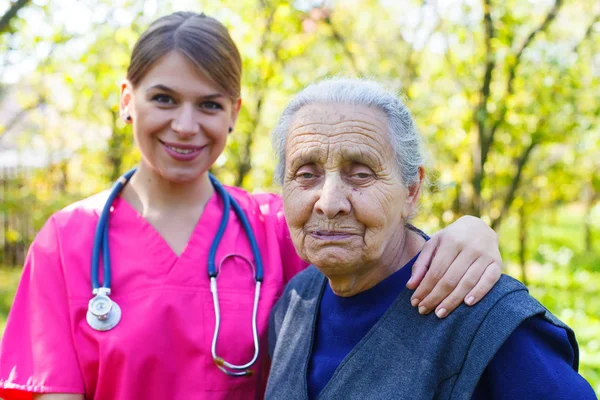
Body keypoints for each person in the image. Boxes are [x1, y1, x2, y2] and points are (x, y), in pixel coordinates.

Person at [0, 13, 506, 400]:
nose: (184, 125)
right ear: (126, 99)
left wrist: (469, 231)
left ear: (235, 114)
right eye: (163, 99)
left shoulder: (275, 226)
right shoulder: (67, 241)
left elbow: (383, 250)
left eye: (210, 104)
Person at [265, 78, 596, 399]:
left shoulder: (487, 322)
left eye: (361, 174)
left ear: (411, 191)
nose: (329, 202)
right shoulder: (296, 303)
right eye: (306, 174)